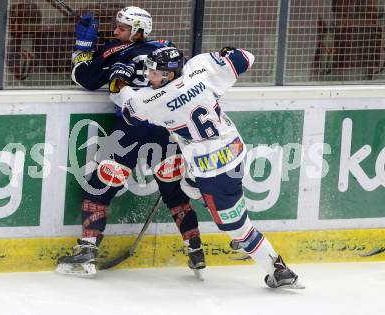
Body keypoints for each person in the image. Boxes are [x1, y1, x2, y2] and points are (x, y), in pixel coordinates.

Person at [109, 46, 303, 289]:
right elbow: (246, 57)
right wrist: (225, 52)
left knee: (236, 227)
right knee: (188, 185)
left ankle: (279, 270)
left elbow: (129, 113)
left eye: (154, 73)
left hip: (214, 171)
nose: (150, 77)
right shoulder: (200, 68)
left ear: (169, 75)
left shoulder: (152, 100)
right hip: (234, 150)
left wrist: (122, 83)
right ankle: (228, 216)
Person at [56, 7, 204, 277]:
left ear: (138, 31)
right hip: (164, 131)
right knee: (174, 193)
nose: (115, 32)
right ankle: (195, 250)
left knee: (98, 189)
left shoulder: (115, 51)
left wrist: (84, 47)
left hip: (129, 129)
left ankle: (87, 254)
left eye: (122, 28)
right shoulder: (167, 49)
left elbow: (84, 79)